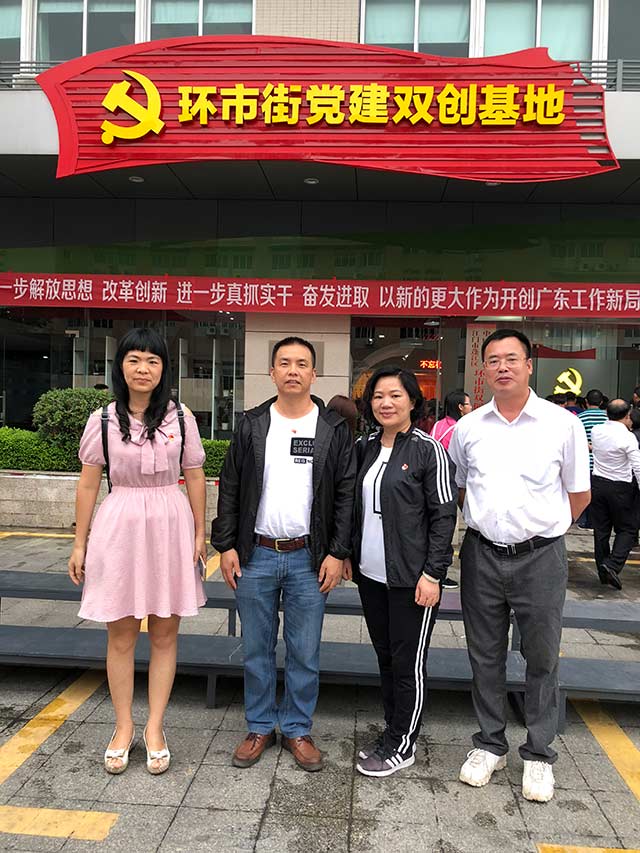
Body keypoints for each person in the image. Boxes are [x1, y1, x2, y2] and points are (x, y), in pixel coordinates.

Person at [448, 329, 590, 803]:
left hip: (541, 558)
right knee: (484, 654)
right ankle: (490, 743)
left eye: (512, 358)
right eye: (493, 360)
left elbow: (579, 494)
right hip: (482, 555)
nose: (502, 367)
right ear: (483, 369)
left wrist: (541, 532)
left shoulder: (561, 425)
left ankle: (538, 752)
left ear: (530, 365)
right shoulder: (469, 428)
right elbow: (462, 489)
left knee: (542, 657)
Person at [211, 336, 355, 772]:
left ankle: (296, 728)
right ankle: (259, 726)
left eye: (302, 364)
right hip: (255, 554)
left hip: (308, 558)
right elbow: (230, 486)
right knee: (256, 649)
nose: (293, 371)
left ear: (314, 373)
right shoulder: (253, 424)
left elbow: (345, 494)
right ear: (272, 372)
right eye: (285, 363)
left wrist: (337, 552)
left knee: (304, 651)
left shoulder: (332, 429)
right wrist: (226, 545)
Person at [68, 328, 207, 775]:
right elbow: (88, 484)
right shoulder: (102, 420)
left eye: (152, 360)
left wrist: (200, 532)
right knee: (121, 635)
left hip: (170, 522)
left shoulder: (181, 418)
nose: (143, 368)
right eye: (134, 359)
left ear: (164, 368)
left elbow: (195, 475)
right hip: (120, 524)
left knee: (165, 633)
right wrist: (80, 542)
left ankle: (156, 728)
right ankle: (123, 726)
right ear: (121, 366)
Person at [344, 367, 457, 777]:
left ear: (412, 400)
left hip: (412, 579)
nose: (385, 403)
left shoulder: (428, 450)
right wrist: (347, 553)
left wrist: (433, 574)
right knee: (386, 657)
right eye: (378, 396)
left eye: (395, 395)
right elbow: (351, 505)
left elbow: (444, 516)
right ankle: (392, 731)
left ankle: (403, 744)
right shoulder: (365, 446)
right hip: (372, 575)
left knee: (408, 663)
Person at [590, 399, 640, 590]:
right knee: (627, 529)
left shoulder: (597, 431)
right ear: (627, 416)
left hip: (598, 484)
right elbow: (637, 465)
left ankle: (603, 568)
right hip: (621, 487)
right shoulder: (628, 437)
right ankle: (612, 565)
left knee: (601, 530)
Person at [576, 389, 608, 529]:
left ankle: (588, 521)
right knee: (600, 495)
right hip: (604, 462)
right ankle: (600, 522)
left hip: (586, 461)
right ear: (601, 402)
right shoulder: (608, 418)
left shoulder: (580, 418)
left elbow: (576, 439)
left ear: (586, 402)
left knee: (587, 492)